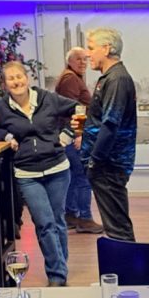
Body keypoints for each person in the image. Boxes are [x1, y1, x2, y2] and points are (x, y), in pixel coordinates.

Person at [0, 61, 80, 287]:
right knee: (44, 223)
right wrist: (7, 136)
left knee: (57, 221)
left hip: (58, 168)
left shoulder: (47, 98)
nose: (16, 81)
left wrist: (68, 134)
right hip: (27, 173)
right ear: (4, 84)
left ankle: (60, 266)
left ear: (27, 78)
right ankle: (57, 275)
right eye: (11, 78)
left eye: (19, 76)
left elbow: (79, 109)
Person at [81, 26, 138, 242]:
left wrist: (94, 161)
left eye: (91, 48)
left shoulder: (117, 79)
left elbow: (111, 124)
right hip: (105, 165)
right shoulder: (110, 78)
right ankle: (123, 263)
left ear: (106, 49)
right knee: (115, 227)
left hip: (109, 165)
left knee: (118, 230)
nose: (87, 54)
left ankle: (127, 265)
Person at [55, 47, 103, 235]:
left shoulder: (72, 77)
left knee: (74, 177)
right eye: (78, 59)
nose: (83, 62)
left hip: (69, 136)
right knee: (83, 176)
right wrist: (78, 134)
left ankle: (71, 215)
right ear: (69, 61)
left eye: (85, 59)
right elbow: (72, 110)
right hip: (73, 136)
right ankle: (85, 218)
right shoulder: (70, 79)